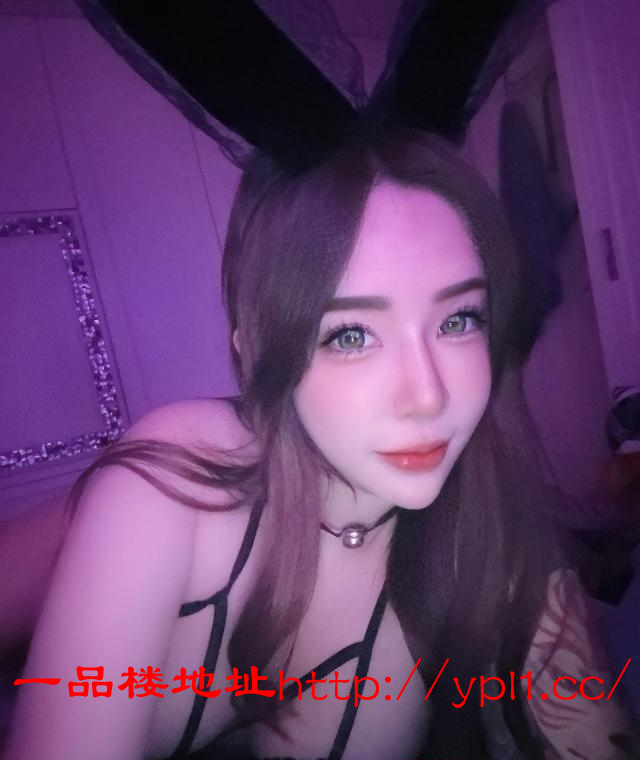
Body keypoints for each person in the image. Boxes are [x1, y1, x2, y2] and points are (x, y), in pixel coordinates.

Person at [5, 130, 634, 760]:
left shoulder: (472, 543)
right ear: (256, 350)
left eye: (457, 320)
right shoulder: (178, 483)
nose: (428, 396)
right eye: (352, 335)